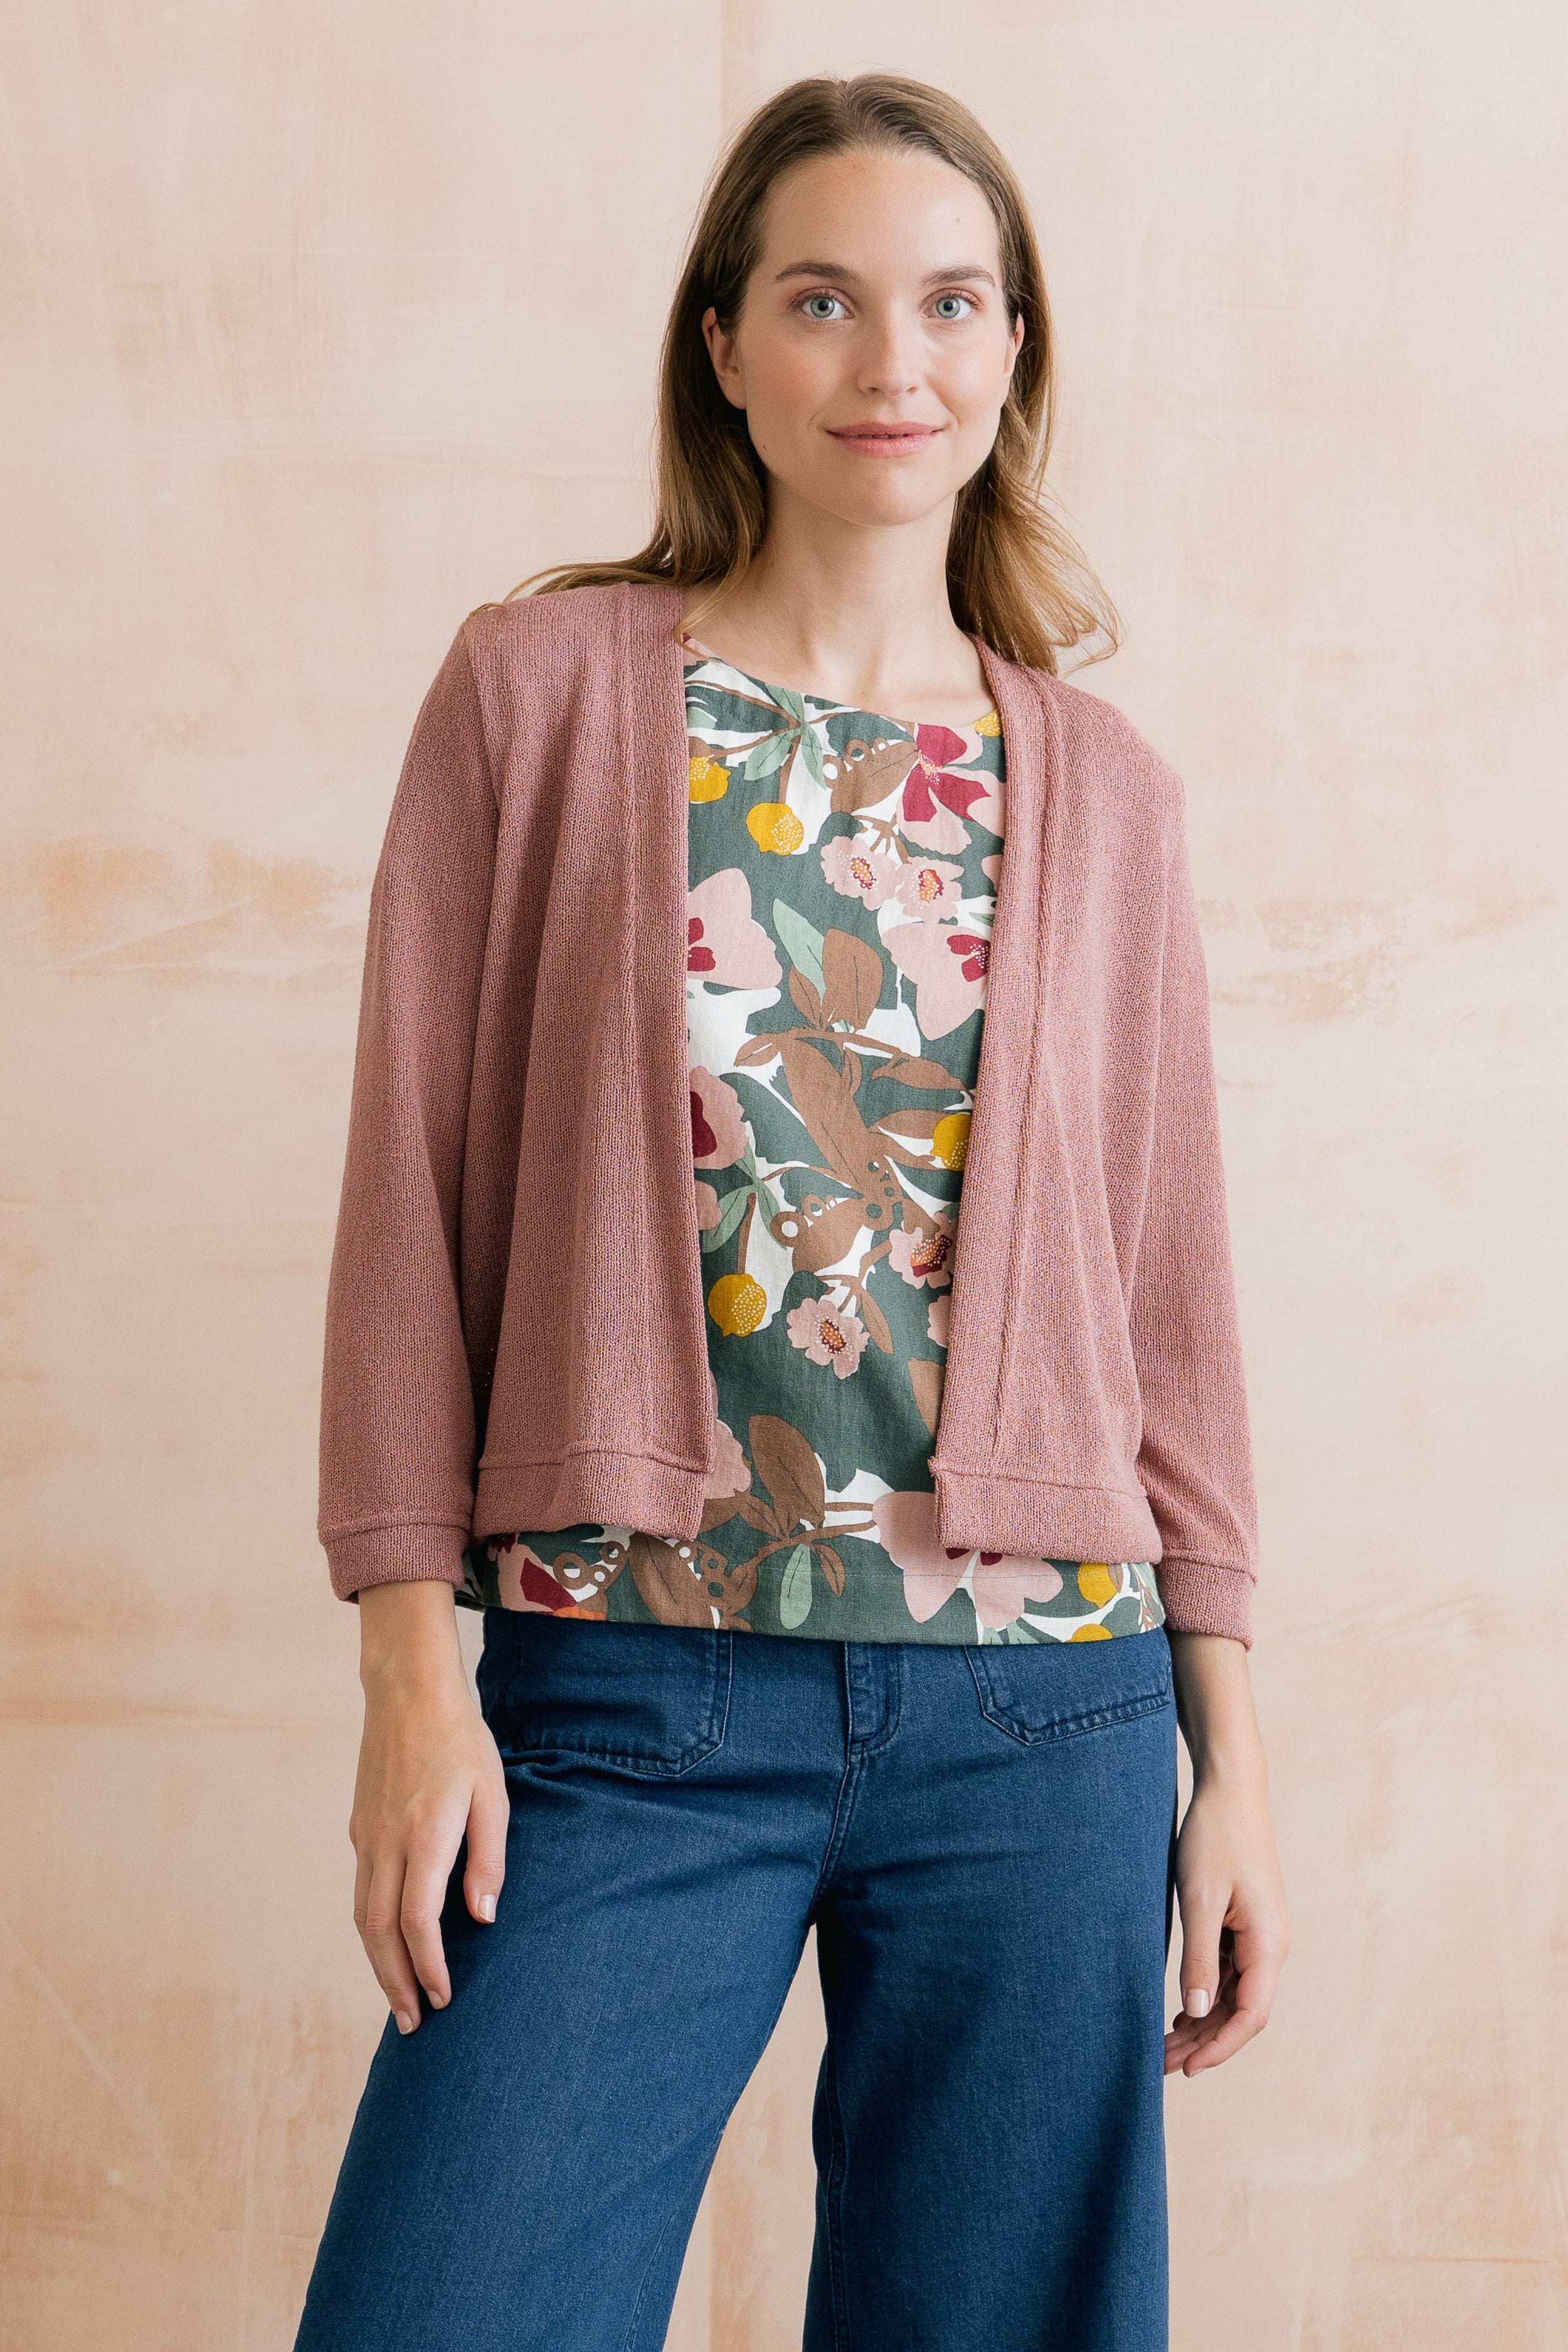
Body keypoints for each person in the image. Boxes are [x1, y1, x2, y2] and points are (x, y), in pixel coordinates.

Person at [295, 71, 1290, 2352]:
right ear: (724, 345)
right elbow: (407, 1203)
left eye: (950, 303)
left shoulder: (1103, 789)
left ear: (1012, 348)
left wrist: (1231, 1762)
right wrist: (409, 1676)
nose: (892, 361)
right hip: (626, 1694)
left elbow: (1170, 1300)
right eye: (823, 300)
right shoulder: (541, 697)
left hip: (1045, 1724)